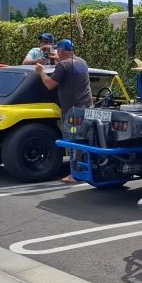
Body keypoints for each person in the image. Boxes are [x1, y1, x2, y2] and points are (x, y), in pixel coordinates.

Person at [37, 39, 93, 183]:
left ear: (61, 51)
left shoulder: (62, 65)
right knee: (83, 140)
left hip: (72, 111)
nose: (55, 53)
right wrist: (57, 61)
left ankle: (75, 175)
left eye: (57, 51)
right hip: (86, 107)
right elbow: (68, 71)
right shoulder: (81, 61)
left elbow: (50, 85)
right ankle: (84, 170)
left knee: (72, 142)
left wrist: (41, 72)